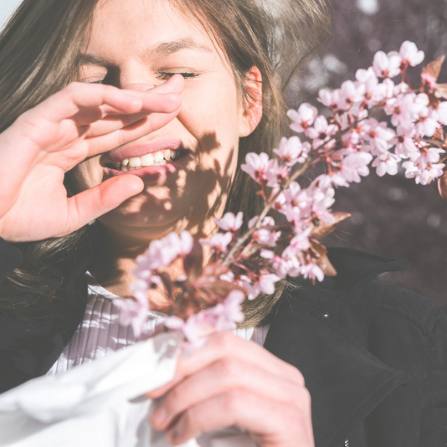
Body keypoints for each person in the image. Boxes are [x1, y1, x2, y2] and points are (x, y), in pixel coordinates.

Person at [0, 0, 446, 446]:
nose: (137, 109)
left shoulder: (409, 346)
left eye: (177, 73)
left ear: (250, 98)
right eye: (94, 80)